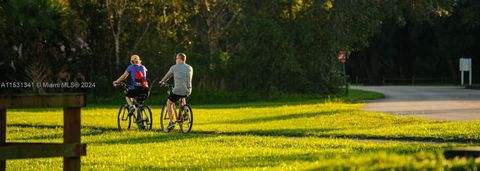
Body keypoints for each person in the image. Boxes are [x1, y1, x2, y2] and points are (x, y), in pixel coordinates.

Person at [159, 53, 193, 131]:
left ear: (180, 59)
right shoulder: (190, 67)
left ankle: (171, 122)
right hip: (188, 90)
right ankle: (185, 110)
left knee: (169, 103)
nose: (175, 60)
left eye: (176, 58)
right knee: (182, 97)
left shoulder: (174, 67)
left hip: (178, 90)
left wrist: (162, 82)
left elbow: (167, 76)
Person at [113, 54, 149, 129]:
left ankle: (131, 106)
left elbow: (124, 76)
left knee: (127, 95)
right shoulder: (143, 67)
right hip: (145, 90)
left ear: (132, 61)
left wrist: (116, 81)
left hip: (135, 89)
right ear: (139, 60)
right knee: (139, 104)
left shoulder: (131, 67)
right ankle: (141, 124)